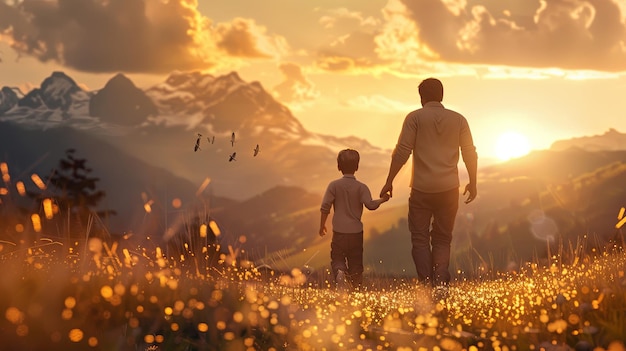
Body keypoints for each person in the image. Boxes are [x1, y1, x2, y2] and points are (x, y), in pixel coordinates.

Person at [379, 77, 478, 296]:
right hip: (449, 189)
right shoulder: (459, 120)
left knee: (420, 239)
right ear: (442, 95)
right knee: (443, 238)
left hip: (422, 190)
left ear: (421, 97)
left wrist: (389, 181)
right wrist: (473, 181)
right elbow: (469, 152)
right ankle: (441, 284)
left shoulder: (414, 118)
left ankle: (426, 286)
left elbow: (402, 151)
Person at [319, 148, 390, 291]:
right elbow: (370, 205)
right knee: (356, 263)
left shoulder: (334, 185)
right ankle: (355, 290)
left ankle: (339, 272)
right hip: (356, 233)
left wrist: (322, 225)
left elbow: (325, 206)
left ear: (338, 166)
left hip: (339, 232)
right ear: (357, 166)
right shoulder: (361, 187)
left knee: (337, 258)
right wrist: (383, 199)